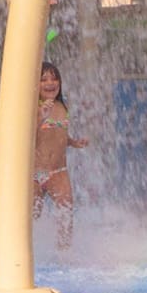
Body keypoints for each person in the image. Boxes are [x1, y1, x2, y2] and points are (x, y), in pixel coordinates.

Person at [33, 61, 88, 249]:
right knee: (32, 215)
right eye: (44, 79)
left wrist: (74, 142)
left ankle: (64, 252)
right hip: (35, 173)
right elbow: (25, 135)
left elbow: (59, 135)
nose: (50, 83)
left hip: (58, 171)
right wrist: (41, 115)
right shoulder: (32, 107)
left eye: (54, 78)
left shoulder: (62, 107)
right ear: (35, 84)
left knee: (66, 212)